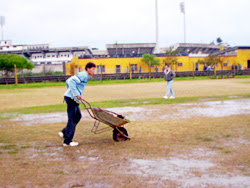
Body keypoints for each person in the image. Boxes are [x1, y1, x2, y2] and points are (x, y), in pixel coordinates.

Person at [58, 62, 96, 146]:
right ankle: (67, 141)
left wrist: (73, 92)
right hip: (71, 99)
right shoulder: (84, 75)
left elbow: (68, 81)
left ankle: (64, 132)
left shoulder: (85, 76)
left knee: (77, 116)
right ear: (88, 69)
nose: (94, 71)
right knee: (72, 119)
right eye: (93, 69)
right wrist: (75, 94)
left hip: (73, 99)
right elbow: (71, 81)